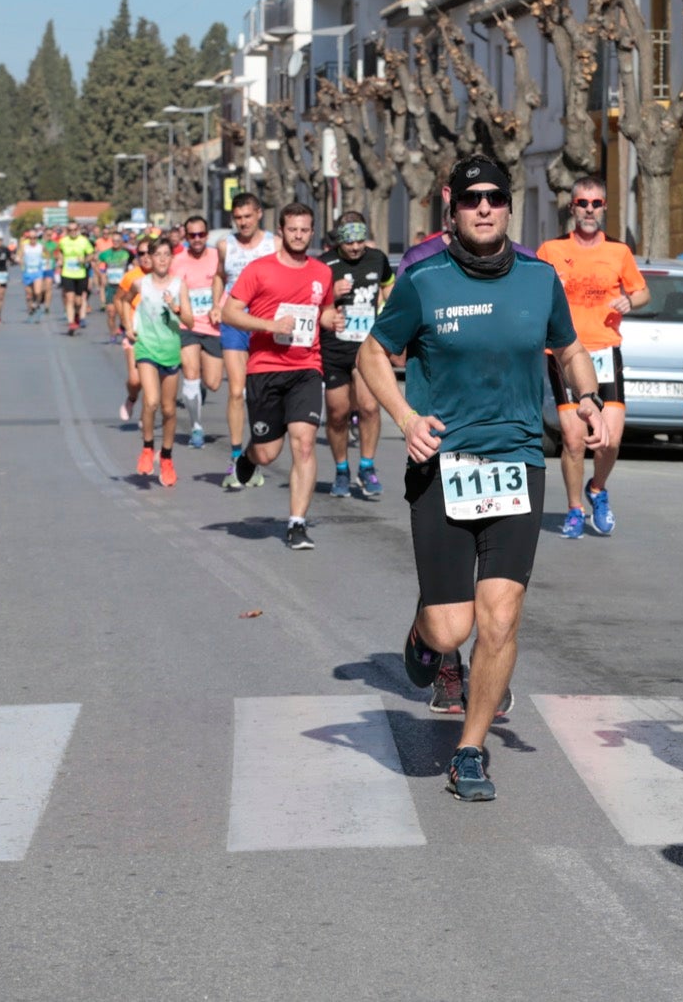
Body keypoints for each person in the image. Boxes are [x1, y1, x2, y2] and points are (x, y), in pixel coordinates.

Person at [358, 153, 605, 801]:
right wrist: (406, 416)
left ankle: (470, 749)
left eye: (496, 196)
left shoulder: (539, 278)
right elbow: (372, 351)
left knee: (500, 618)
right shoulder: (423, 281)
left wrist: (588, 399)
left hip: (518, 463)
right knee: (452, 628)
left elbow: (571, 347)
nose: (486, 207)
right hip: (442, 463)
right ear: (453, 204)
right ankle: (423, 633)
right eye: (473, 198)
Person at [219, 202, 340, 551]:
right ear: (281, 232)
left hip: (306, 367)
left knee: (303, 443)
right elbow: (229, 313)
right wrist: (269, 326)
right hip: (266, 368)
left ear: (312, 232)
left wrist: (331, 319)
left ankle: (296, 524)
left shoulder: (321, 272)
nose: (299, 235)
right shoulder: (259, 270)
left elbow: (326, 309)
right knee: (269, 453)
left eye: (305, 230)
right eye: (292, 230)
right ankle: (248, 457)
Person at [537, 176, 649, 538]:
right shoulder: (551, 250)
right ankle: (573, 508)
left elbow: (642, 291)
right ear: (573, 208)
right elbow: (532, 289)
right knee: (572, 440)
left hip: (604, 350)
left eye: (595, 203)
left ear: (603, 208)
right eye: (582, 203)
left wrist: (630, 301)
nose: (589, 209)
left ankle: (597, 488)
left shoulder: (619, 252)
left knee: (610, 440)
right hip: (563, 352)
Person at [319, 211, 394, 500]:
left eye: (360, 241)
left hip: (367, 348)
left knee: (369, 407)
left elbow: (389, 284)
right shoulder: (325, 264)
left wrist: (388, 309)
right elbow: (311, 302)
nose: (355, 248)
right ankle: (341, 469)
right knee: (337, 414)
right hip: (335, 347)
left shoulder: (377, 258)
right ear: (339, 241)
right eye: (350, 243)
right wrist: (332, 295)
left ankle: (366, 466)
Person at [213, 195, 281, 488]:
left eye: (248, 217)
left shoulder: (275, 244)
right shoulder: (225, 246)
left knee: (261, 394)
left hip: (266, 322)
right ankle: (236, 455)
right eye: (238, 218)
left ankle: (253, 455)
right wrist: (217, 303)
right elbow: (219, 276)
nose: (243, 223)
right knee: (236, 392)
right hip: (235, 321)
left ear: (259, 214)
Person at [126, 237, 191, 488]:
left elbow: (191, 322)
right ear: (149, 259)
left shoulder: (179, 286)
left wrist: (175, 308)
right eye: (158, 254)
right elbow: (122, 300)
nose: (162, 259)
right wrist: (129, 327)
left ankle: (166, 457)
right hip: (146, 349)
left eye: (167, 254)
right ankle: (146, 448)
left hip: (171, 351)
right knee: (151, 401)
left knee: (169, 410)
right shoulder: (140, 284)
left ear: (171, 258)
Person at [172, 217, 225, 449]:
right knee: (191, 374)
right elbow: (171, 291)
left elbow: (227, 283)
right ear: (186, 237)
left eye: (201, 235)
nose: (197, 240)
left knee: (213, 383)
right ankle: (196, 427)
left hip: (212, 326)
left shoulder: (217, 257)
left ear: (207, 234)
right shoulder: (177, 262)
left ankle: (200, 389)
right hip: (187, 326)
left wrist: (219, 307)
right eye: (192, 235)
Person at [116, 254, 149, 421]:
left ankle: (147, 416)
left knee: (152, 380)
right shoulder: (131, 277)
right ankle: (132, 398)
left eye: (149, 253)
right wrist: (126, 323)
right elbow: (119, 299)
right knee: (135, 381)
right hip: (135, 332)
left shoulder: (165, 276)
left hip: (157, 335)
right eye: (141, 253)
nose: (145, 257)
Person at [97, 238, 133, 342]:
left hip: (123, 286)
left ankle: (123, 328)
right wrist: (101, 274)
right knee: (111, 312)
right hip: (111, 286)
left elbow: (135, 263)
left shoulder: (127, 253)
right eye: (114, 240)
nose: (116, 242)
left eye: (118, 240)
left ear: (121, 242)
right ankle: (112, 333)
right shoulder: (106, 254)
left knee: (122, 312)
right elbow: (98, 263)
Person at [19, 231, 47, 322]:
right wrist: (20, 261)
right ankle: (31, 309)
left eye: (34, 237)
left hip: (38, 271)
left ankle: (37, 304)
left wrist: (46, 263)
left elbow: (48, 255)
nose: (32, 240)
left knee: (38, 292)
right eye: (30, 238)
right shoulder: (25, 247)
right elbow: (19, 256)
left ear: (37, 238)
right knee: (29, 295)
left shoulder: (40, 246)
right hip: (27, 272)